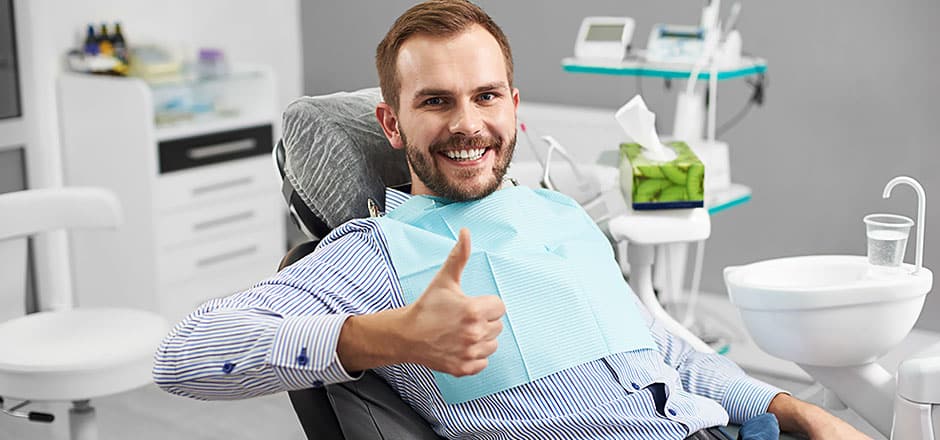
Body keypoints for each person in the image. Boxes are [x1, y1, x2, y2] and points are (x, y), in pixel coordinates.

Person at [154, 1, 870, 439]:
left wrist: (796, 411)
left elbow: (661, 349)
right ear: (392, 124)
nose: (468, 125)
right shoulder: (375, 253)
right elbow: (181, 355)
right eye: (435, 101)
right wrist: (384, 336)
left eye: (486, 96)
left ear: (514, 107)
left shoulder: (557, 213)